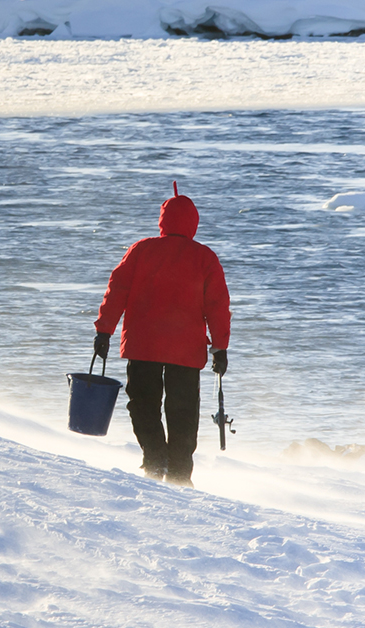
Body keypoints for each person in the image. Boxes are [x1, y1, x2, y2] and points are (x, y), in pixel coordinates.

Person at [93, 182, 230, 487]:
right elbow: (218, 307)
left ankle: (155, 458)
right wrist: (220, 349)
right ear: (193, 223)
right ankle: (180, 474)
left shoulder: (142, 250)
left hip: (144, 346)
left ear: (163, 220)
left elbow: (116, 290)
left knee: (142, 404)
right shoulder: (205, 258)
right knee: (182, 413)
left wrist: (104, 331)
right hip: (185, 351)